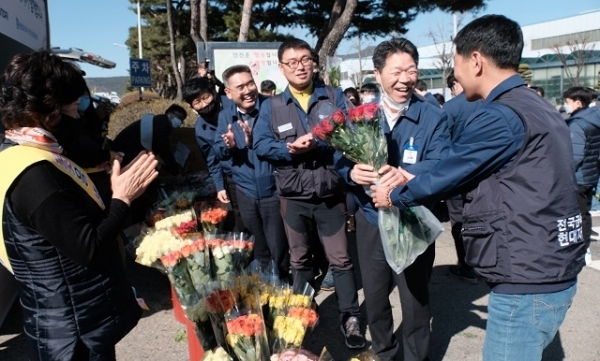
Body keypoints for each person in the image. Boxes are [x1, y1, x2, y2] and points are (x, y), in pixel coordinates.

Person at [371, 15, 585, 360]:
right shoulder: (535, 105)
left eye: (455, 62)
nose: (453, 73)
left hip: (526, 276)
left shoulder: (500, 114)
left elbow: (450, 173)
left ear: (475, 61)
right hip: (550, 264)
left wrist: (394, 193)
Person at [0, 50, 159, 361]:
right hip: (72, 335)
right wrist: (122, 198)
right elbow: (88, 246)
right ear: (48, 112)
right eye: (73, 108)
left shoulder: (21, 155)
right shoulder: (35, 174)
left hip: (67, 321)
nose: (78, 118)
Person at [336, 38, 450, 361]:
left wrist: (407, 176)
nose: (405, 79)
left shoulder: (432, 118)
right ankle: (385, 353)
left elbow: (441, 165)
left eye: (411, 71)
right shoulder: (360, 116)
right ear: (377, 72)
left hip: (412, 222)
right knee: (374, 297)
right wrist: (350, 172)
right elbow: (338, 156)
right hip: (371, 221)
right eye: (396, 71)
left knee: (414, 301)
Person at [253, 37, 366, 349]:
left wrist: (322, 143)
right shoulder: (272, 107)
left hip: (331, 195)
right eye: (292, 62)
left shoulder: (334, 97)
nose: (300, 66)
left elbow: (353, 133)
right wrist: (288, 150)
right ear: (281, 68)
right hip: (294, 199)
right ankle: (302, 312)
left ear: (314, 62)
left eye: (305, 59)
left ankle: (350, 316)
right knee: (299, 259)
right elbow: (261, 145)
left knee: (341, 259)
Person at [213, 65, 290, 277]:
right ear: (228, 93)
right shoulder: (225, 116)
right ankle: (265, 289)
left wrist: (255, 142)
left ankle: (284, 284)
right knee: (256, 245)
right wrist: (227, 145)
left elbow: (287, 146)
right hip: (245, 191)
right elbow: (217, 151)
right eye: (240, 87)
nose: (248, 90)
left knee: (279, 245)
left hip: (273, 189)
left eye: (250, 83)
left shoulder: (274, 107)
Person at [182, 77, 244, 232]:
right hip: (232, 177)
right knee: (240, 216)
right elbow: (212, 160)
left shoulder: (234, 105)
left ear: (214, 94)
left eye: (206, 97)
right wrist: (220, 187)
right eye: (197, 102)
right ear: (191, 106)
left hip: (253, 168)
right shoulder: (201, 128)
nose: (204, 104)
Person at [443, 70, 482, 284]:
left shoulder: (451, 107)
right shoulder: (488, 101)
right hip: (484, 174)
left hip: (456, 174)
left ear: (455, 84)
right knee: (482, 217)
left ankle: (467, 265)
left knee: (459, 221)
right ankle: (483, 262)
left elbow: (442, 142)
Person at [563, 86, 600, 261]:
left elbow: (574, 157)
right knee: (584, 213)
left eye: (568, 101)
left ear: (578, 103)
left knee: (577, 215)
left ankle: (581, 250)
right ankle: (584, 248)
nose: (565, 105)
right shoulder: (593, 119)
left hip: (578, 176)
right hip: (590, 173)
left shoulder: (577, 124)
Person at [110, 104, 186, 181]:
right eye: (178, 117)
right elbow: (164, 151)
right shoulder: (162, 125)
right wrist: (175, 173)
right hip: (124, 154)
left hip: (122, 151)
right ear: (169, 113)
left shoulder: (158, 121)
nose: (179, 121)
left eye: (182, 120)